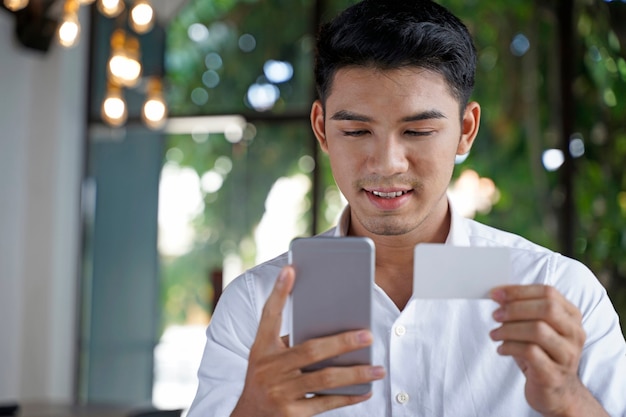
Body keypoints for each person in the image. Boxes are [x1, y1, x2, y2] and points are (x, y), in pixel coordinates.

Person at [187, 1, 626, 416]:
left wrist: (568, 397)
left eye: (417, 131)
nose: (386, 163)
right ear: (322, 129)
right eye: (357, 131)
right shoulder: (254, 307)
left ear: (465, 131)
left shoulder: (559, 290)